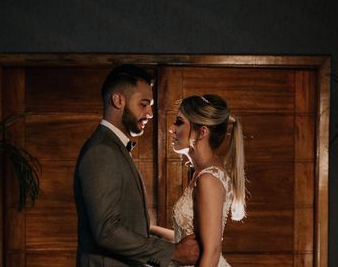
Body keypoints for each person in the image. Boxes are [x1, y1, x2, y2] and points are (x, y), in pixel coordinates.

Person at [74, 64, 200, 267]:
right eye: (144, 104)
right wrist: (173, 252)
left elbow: (131, 224)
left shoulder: (114, 148)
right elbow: (107, 231)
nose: (150, 113)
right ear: (118, 100)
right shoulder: (102, 152)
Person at [150, 94, 246, 267]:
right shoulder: (202, 173)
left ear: (201, 132)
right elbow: (190, 239)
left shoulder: (208, 179)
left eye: (179, 122)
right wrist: (150, 229)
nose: (171, 129)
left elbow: (212, 251)